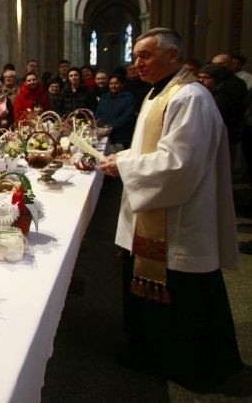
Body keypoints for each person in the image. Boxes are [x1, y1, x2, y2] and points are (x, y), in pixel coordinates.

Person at [98, 28, 242, 391]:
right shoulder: (156, 94)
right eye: (135, 56)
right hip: (158, 211)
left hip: (179, 219)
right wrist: (125, 157)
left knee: (183, 295)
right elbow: (151, 150)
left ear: (173, 56)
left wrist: (126, 167)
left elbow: (179, 164)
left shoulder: (190, 97)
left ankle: (189, 365)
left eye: (145, 55)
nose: (137, 63)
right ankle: (150, 353)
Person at [95, 75, 136, 150]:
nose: (113, 86)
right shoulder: (104, 97)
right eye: (111, 83)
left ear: (122, 84)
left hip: (121, 136)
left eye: (116, 83)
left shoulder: (128, 97)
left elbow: (128, 115)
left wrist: (111, 125)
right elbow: (98, 114)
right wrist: (102, 125)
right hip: (104, 135)